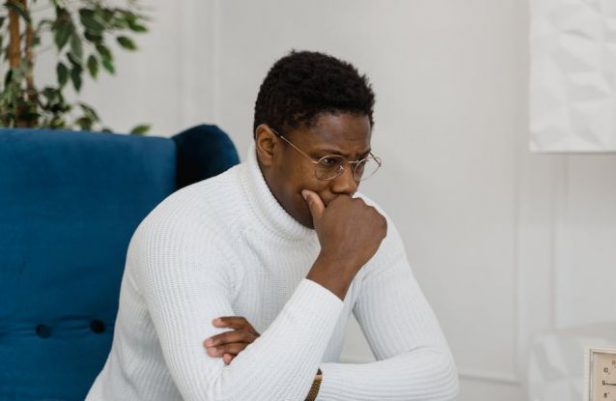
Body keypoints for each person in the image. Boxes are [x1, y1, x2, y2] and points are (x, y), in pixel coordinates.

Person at [86, 50, 459, 401]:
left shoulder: (362, 226)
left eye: (360, 162)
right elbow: (224, 396)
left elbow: (438, 382)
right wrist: (336, 263)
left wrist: (303, 378)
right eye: (329, 161)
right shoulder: (181, 230)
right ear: (267, 145)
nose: (348, 184)